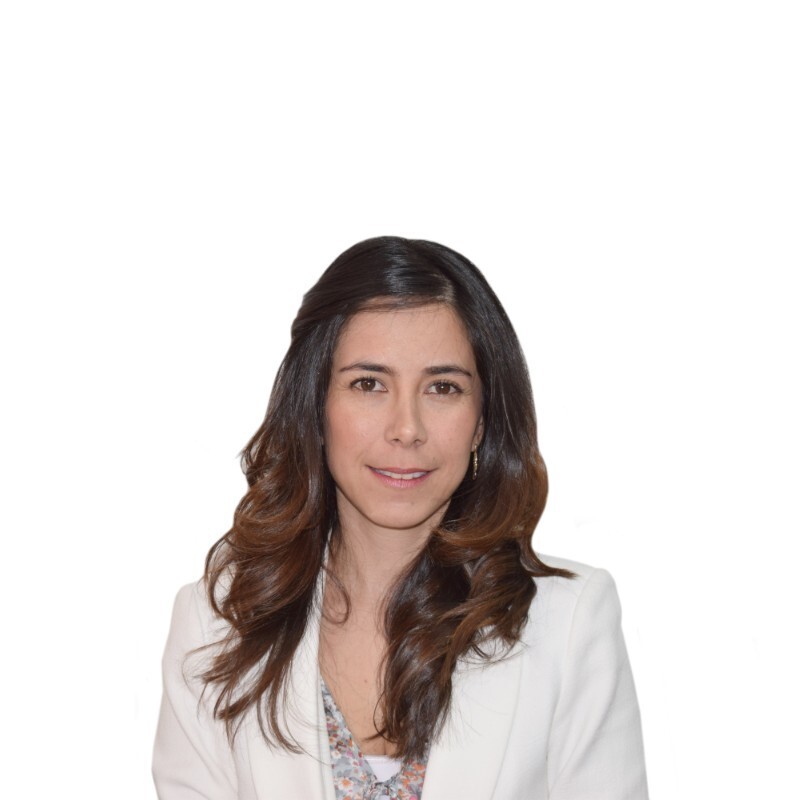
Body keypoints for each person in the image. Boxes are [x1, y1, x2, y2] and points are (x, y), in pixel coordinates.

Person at [152, 236, 649, 799]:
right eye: (369, 384)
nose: (406, 428)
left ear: (482, 422)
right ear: (316, 406)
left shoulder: (570, 624)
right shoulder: (214, 627)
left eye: (443, 388)